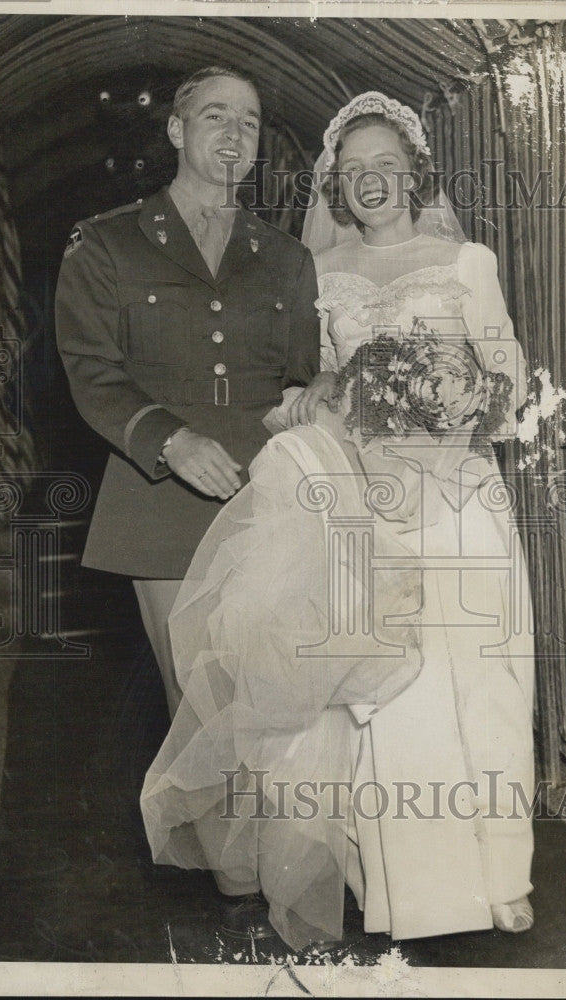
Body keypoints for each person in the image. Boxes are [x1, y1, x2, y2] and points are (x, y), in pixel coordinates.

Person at [140, 92, 535, 951]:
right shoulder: (322, 275)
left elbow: (507, 388)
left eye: (385, 166)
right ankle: (397, 886)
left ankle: (498, 876)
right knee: (383, 697)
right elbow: (313, 379)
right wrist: (314, 403)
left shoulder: (467, 261)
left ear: (415, 172)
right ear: (334, 187)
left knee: (477, 680)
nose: (371, 183)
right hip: (362, 501)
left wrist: (446, 426)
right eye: (353, 172)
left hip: (458, 497)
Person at [55, 66, 333, 724]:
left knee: (271, 698)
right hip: (160, 500)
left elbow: (297, 380)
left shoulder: (289, 259)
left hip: (266, 500)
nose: (235, 133)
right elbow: (90, 369)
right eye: (217, 115)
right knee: (199, 708)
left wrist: (321, 392)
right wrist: (169, 440)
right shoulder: (105, 242)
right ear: (177, 130)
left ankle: (264, 829)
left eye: (251, 121)